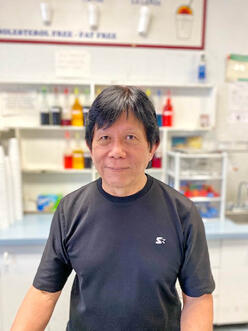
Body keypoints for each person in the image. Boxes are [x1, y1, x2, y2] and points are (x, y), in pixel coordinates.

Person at [11, 85, 215, 331]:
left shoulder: (183, 213)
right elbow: (44, 292)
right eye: (105, 138)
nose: (116, 152)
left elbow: (197, 298)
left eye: (130, 137)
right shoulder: (71, 210)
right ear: (90, 146)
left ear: (152, 146)